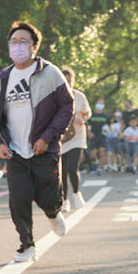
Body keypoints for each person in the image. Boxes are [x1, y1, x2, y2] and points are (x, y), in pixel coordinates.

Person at [0, 21, 73, 263]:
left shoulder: (50, 72)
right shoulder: (1, 78)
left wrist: (47, 136)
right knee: (18, 199)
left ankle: (53, 212)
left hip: (44, 148)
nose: (17, 46)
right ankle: (26, 245)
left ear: (34, 47)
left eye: (23, 42)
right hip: (15, 152)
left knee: (49, 195)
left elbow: (66, 106)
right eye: (13, 42)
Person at [58, 67, 89, 213]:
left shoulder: (80, 97)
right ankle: (64, 200)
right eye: (65, 81)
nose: (68, 84)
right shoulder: (56, 97)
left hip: (77, 138)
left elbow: (88, 112)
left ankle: (76, 194)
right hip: (61, 139)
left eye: (70, 81)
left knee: (72, 168)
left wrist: (81, 116)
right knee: (62, 171)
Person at [88, 96, 109, 174]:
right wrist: (89, 132)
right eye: (98, 103)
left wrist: (108, 129)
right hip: (94, 136)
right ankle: (95, 163)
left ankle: (99, 169)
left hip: (102, 136)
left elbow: (110, 125)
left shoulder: (105, 116)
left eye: (102, 103)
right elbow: (88, 125)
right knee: (93, 155)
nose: (100, 105)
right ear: (96, 104)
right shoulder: (92, 115)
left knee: (102, 152)